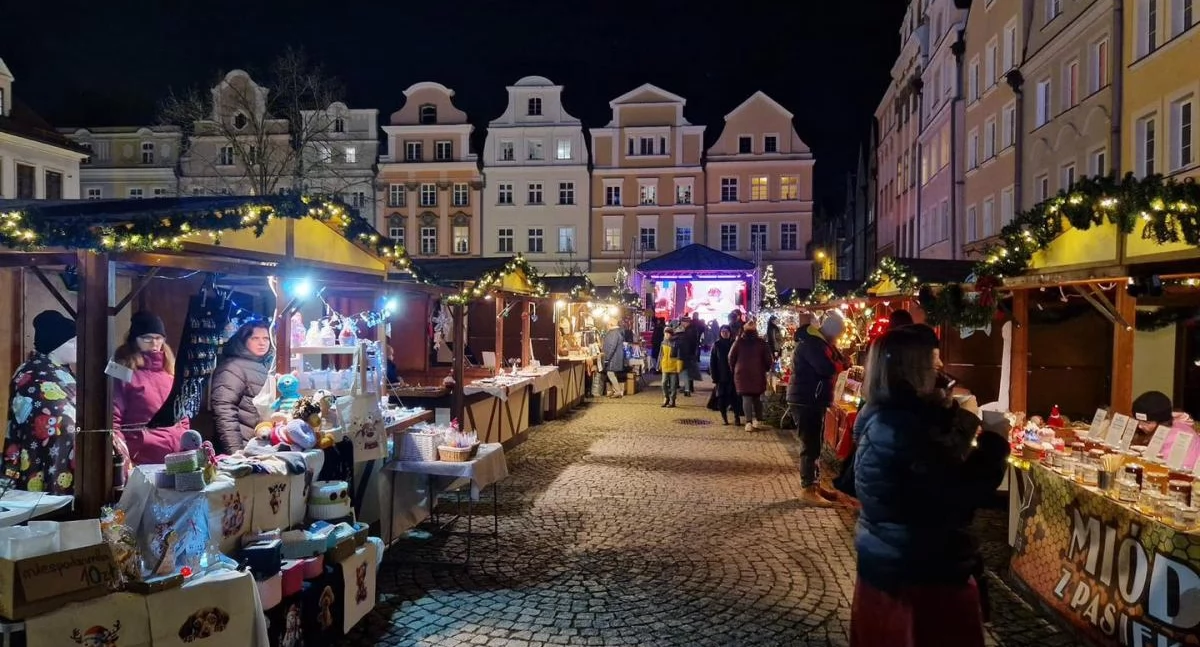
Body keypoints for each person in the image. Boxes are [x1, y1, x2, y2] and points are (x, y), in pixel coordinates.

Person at [849, 326, 1009, 647]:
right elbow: (958, 492)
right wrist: (994, 442)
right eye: (934, 363)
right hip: (919, 573)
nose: (941, 370)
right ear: (913, 369)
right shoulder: (901, 427)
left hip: (891, 562)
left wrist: (947, 411)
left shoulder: (886, 415)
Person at [4, 310, 78, 494]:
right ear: (54, 346)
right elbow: (56, 413)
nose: (78, 346)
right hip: (41, 452)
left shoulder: (61, 369)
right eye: (72, 342)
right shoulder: (32, 373)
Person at [112, 311, 189, 467]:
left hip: (176, 458)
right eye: (147, 338)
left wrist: (184, 440)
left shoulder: (171, 372)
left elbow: (183, 415)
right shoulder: (121, 371)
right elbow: (112, 420)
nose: (154, 343)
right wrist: (124, 459)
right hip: (140, 460)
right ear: (134, 340)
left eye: (159, 338)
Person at [787, 313, 849, 504]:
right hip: (806, 399)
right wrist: (841, 364)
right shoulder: (813, 344)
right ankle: (808, 489)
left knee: (815, 444)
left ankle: (814, 484)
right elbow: (826, 368)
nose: (837, 339)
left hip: (812, 399)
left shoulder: (820, 342)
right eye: (837, 335)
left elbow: (835, 362)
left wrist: (838, 358)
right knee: (810, 445)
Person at [210, 320, 273, 453]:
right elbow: (224, 411)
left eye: (266, 338)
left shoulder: (264, 365)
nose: (262, 343)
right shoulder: (232, 367)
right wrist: (235, 452)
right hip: (244, 446)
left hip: (260, 445)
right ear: (244, 340)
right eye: (255, 338)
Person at [1132, 390, 1199, 471]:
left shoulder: (1176, 436)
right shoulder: (1156, 430)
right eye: (1138, 421)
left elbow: (1170, 469)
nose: (1140, 426)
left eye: (1147, 422)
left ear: (1162, 421)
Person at [728, 320, 774, 432]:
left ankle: (748, 422)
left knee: (746, 397)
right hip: (758, 372)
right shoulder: (761, 342)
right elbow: (768, 359)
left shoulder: (738, 342)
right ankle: (758, 420)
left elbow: (731, 357)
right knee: (757, 397)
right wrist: (766, 368)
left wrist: (734, 369)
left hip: (741, 372)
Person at [709, 325, 744, 426]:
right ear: (720, 333)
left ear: (730, 332)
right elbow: (713, 362)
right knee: (721, 399)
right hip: (721, 377)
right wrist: (714, 376)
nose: (725, 333)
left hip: (733, 376)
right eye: (723, 331)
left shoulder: (734, 344)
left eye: (727, 331)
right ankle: (724, 418)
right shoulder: (716, 345)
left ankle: (737, 417)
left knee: (735, 399)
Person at [675, 315, 700, 397]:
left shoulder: (689, 331)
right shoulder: (692, 329)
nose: (681, 324)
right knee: (689, 371)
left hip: (687, 353)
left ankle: (688, 388)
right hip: (691, 353)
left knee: (687, 371)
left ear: (686, 322)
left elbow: (686, 342)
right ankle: (689, 387)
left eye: (682, 322)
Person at [600, 321, 626, 399]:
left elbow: (612, 346)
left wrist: (607, 358)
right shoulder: (616, 332)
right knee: (612, 373)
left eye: (607, 324)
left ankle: (617, 391)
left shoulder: (613, 333)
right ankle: (612, 390)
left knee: (610, 373)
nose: (606, 326)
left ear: (611, 324)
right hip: (615, 356)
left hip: (613, 357)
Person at [658, 328, 683, 408]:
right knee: (663, 383)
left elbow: (679, 355)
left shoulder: (676, 343)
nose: (666, 335)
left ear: (671, 334)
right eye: (665, 333)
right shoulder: (663, 342)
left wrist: (679, 367)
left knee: (673, 385)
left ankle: (673, 400)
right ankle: (666, 398)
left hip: (674, 366)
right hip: (665, 365)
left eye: (668, 333)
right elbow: (661, 354)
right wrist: (659, 365)